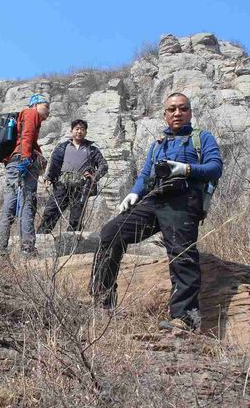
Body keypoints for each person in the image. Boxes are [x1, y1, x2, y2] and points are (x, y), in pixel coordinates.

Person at [89, 92, 222, 331]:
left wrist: (186, 169)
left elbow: (215, 168)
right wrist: (133, 193)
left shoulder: (202, 138)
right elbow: (144, 175)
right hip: (153, 201)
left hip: (184, 202)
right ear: (165, 114)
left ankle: (184, 319)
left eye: (182, 109)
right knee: (110, 232)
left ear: (190, 113)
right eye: (172, 109)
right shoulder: (157, 144)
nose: (177, 113)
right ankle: (103, 303)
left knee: (181, 255)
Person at [0, 94, 51, 256]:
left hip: (13, 162)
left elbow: (28, 140)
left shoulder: (25, 116)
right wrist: (26, 159)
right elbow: (27, 136)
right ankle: (27, 247)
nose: (48, 111)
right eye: (46, 106)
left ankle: (0, 247)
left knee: (10, 205)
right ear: (35, 104)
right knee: (27, 202)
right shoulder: (31, 113)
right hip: (22, 161)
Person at [37, 120, 108, 233]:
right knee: (51, 212)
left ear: (85, 132)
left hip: (81, 187)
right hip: (61, 185)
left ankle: (73, 243)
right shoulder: (62, 147)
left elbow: (103, 165)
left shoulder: (92, 149)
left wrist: (94, 176)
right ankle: (41, 237)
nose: (79, 131)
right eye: (77, 129)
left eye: (82, 129)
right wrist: (48, 178)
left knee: (76, 217)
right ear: (71, 131)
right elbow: (53, 164)